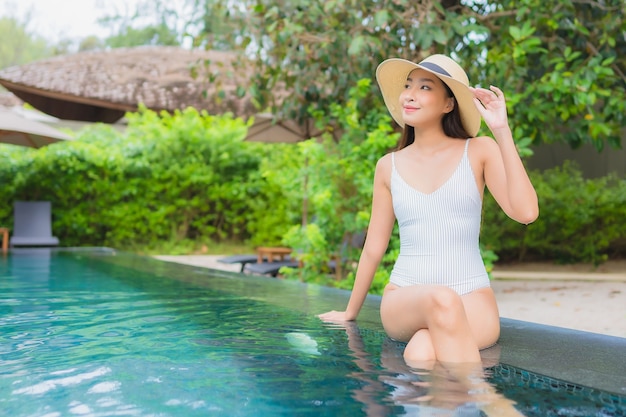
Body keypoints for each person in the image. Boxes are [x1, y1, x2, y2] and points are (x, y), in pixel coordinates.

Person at [318, 54, 539, 369]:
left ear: (449, 103)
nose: (409, 94)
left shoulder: (479, 151)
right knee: (440, 298)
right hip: (404, 300)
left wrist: (501, 131)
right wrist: (350, 312)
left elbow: (526, 212)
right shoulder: (388, 166)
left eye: (424, 87)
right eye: (408, 86)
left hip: (473, 299)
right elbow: (374, 247)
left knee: (421, 352)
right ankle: (488, 403)